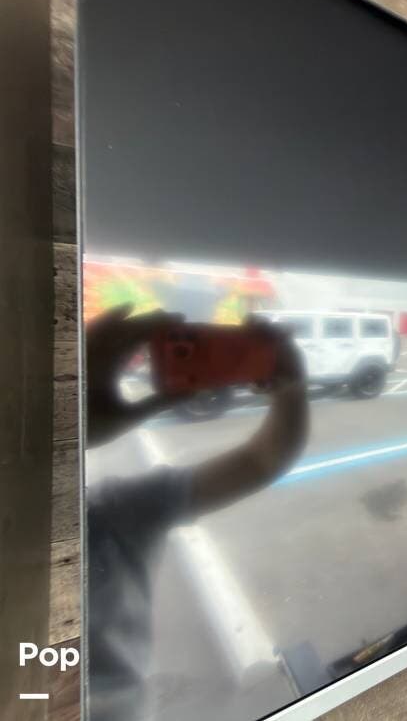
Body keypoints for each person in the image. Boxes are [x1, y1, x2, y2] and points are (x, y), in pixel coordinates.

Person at [84, 305, 309, 720]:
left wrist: (291, 391)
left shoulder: (109, 516)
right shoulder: (110, 518)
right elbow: (261, 462)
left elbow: (260, 460)